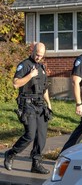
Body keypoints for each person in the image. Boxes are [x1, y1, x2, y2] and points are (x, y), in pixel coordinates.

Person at [4, 42, 52, 174]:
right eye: (37, 55)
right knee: (30, 134)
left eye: (41, 56)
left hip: (40, 104)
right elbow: (15, 83)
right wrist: (30, 75)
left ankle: (36, 163)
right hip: (27, 104)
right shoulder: (24, 65)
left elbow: (44, 88)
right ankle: (11, 153)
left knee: (41, 136)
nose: (38, 57)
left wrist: (48, 104)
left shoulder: (41, 67)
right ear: (33, 51)